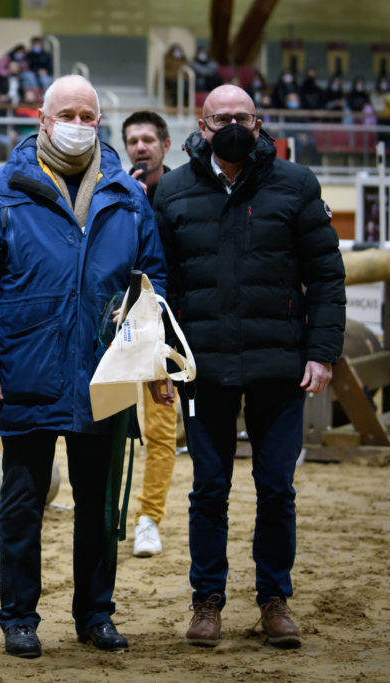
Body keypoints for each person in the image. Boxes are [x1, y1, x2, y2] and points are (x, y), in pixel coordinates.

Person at [0, 75, 166, 657]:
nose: (78, 122)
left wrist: (148, 358)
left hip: (105, 371)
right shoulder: (2, 188)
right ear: (42, 117)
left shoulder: (127, 196)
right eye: (67, 112)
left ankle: (95, 614)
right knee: (23, 501)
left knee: (99, 506)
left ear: (99, 123)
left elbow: (154, 282)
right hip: (25, 367)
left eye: (88, 114)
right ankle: (19, 618)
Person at [151, 84, 345, 649]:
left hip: (278, 364)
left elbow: (327, 276)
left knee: (276, 488)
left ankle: (273, 599)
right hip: (201, 367)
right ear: (201, 124)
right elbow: (159, 286)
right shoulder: (174, 191)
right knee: (208, 490)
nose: (232, 124)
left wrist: (321, 350)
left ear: (258, 123)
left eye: (242, 116)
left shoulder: (297, 184)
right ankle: (206, 601)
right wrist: (161, 360)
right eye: (220, 118)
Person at [121, 110, 176, 558]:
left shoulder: (183, 193)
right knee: (109, 425)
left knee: (160, 429)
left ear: (165, 145)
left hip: (165, 331)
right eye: (133, 140)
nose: (140, 147)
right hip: (121, 328)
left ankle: (148, 517)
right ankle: (107, 511)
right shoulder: (117, 191)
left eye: (147, 140)